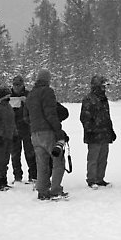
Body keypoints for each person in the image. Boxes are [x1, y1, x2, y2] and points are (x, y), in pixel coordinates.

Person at [24, 69, 68, 201]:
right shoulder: (47, 92)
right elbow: (50, 113)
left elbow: (25, 117)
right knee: (58, 160)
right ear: (48, 80)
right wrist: (58, 130)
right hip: (48, 132)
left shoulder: (30, 95)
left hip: (34, 134)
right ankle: (55, 190)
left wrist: (35, 125)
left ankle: (42, 191)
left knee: (42, 163)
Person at [80, 75, 116, 189]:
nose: (105, 88)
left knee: (103, 158)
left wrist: (111, 130)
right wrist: (90, 129)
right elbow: (84, 118)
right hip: (94, 134)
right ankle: (92, 179)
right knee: (93, 158)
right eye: (103, 86)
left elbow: (107, 116)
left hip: (105, 134)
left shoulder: (103, 99)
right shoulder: (88, 99)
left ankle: (100, 178)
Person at [9, 75, 37, 183]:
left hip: (27, 128)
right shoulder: (8, 96)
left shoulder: (29, 95)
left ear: (23, 85)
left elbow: (34, 109)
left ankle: (32, 176)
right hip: (14, 129)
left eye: (19, 85)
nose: (17, 87)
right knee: (15, 155)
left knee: (30, 153)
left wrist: (27, 102)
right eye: (15, 85)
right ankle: (17, 176)